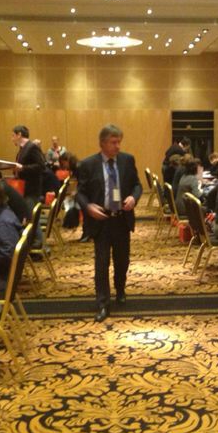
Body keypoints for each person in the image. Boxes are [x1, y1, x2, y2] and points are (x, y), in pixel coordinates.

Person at [76, 124, 142, 322]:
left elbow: (137, 185)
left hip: (121, 219)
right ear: (102, 143)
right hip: (101, 221)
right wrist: (88, 207)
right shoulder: (88, 164)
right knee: (102, 263)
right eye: (114, 142)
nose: (118, 146)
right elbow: (80, 193)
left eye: (119, 142)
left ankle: (120, 289)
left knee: (122, 261)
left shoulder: (127, 160)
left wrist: (133, 197)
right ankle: (103, 303)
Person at [11, 125, 45, 211]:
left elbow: (41, 166)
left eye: (13, 135)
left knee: (31, 215)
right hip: (24, 188)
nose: (12, 139)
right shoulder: (23, 149)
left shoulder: (32, 147)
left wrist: (23, 168)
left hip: (31, 190)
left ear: (19, 135)